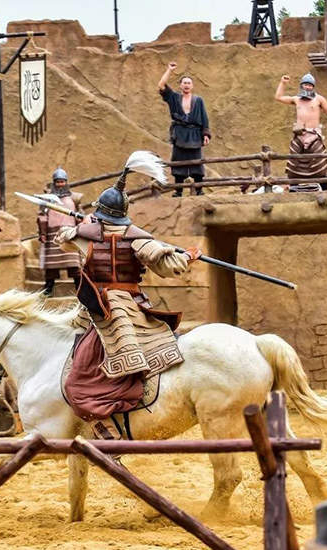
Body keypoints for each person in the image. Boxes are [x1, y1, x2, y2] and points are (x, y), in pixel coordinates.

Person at [55, 171, 201, 441]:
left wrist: (82, 226)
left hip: (105, 309)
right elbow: (170, 267)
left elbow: (62, 241)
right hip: (132, 306)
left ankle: (107, 425)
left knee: (80, 377)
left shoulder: (85, 237)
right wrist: (188, 257)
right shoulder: (140, 239)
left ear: (100, 212)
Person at [275, 73, 327, 191]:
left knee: (320, 162)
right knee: (294, 162)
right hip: (299, 135)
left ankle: (324, 189)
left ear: (313, 87)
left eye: (310, 85)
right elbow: (278, 97)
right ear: (301, 86)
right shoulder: (296, 99)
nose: (308, 87)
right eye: (306, 85)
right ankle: (293, 188)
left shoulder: (319, 99)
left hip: (314, 135)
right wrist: (283, 83)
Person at [158, 62, 211, 197]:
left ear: (192, 86)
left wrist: (206, 134)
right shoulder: (174, 98)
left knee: (197, 164)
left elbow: (204, 118)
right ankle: (178, 191)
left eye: (189, 83)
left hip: (195, 135)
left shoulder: (198, 100)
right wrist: (169, 70)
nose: (186, 85)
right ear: (180, 85)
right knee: (178, 164)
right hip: (179, 135)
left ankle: (199, 190)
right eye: (184, 83)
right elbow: (161, 85)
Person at [37, 167, 83, 296]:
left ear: (66, 182)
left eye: (62, 181)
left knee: (74, 264)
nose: (60, 184)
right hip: (52, 235)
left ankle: (80, 289)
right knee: (51, 266)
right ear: (54, 183)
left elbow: (79, 215)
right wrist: (43, 233)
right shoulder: (47, 199)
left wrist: (80, 228)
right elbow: (42, 216)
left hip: (69, 234)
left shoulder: (74, 198)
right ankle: (48, 289)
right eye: (58, 182)